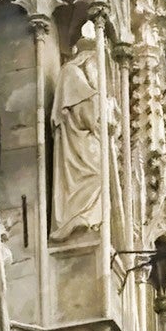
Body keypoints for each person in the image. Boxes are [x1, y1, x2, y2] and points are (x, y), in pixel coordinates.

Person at [50, 31, 104, 243]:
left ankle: (89, 218)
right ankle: (77, 217)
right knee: (96, 176)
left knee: (101, 176)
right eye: (95, 61)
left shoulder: (80, 76)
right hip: (77, 141)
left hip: (84, 139)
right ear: (88, 57)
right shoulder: (71, 73)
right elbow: (84, 113)